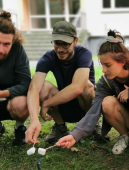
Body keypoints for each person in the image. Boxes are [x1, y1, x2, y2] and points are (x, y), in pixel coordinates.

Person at [56, 30, 129, 156]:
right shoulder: (106, 81)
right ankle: (124, 136)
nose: (104, 70)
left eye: (108, 65)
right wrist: (75, 135)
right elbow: (94, 109)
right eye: (102, 65)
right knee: (106, 102)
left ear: (122, 62)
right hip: (127, 119)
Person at [25, 21, 95, 144]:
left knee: (86, 86)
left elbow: (78, 88)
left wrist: (46, 103)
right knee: (42, 87)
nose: (60, 49)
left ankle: (91, 124)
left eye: (65, 44)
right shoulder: (48, 57)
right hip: (62, 105)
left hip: (84, 105)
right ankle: (60, 126)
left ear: (75, 41)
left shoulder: (84, 54)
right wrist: (34, 120)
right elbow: (34, 89)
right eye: (57, 43)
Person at [0, 11, 31, 146]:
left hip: (10, 98)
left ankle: (20, 128)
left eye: (6, 44)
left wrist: (3, 93)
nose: (1, 49)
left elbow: (25, 82)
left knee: (22, 104)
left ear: (13, 42)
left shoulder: (18, 50)